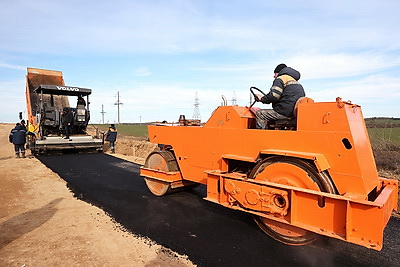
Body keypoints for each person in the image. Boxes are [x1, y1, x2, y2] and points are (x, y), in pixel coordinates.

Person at [252, 63, 305, 129]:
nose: (274, 76)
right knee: (271, 118)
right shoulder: (295, 81)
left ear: (279, 72)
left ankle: (260, 136)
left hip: (284, 111)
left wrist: (261, 98)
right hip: (293, 112)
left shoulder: (281, 78)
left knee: (260, 114)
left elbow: (274, 96)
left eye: (275, 73)